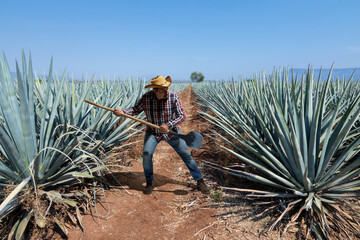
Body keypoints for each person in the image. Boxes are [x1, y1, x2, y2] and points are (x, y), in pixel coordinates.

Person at [113, 75, 210, 195]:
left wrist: (168, 125)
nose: (166, 91)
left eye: (166, 88)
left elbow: (182, 116)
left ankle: (200, 181)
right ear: (155, 90)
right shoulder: (146, 98)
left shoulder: (173, 96)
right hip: (153, 132)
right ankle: (149, 182)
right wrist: (123, 112)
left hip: (171, 132)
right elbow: (135, 110)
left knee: (185, 154)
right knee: (147, 154)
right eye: (163, 90)